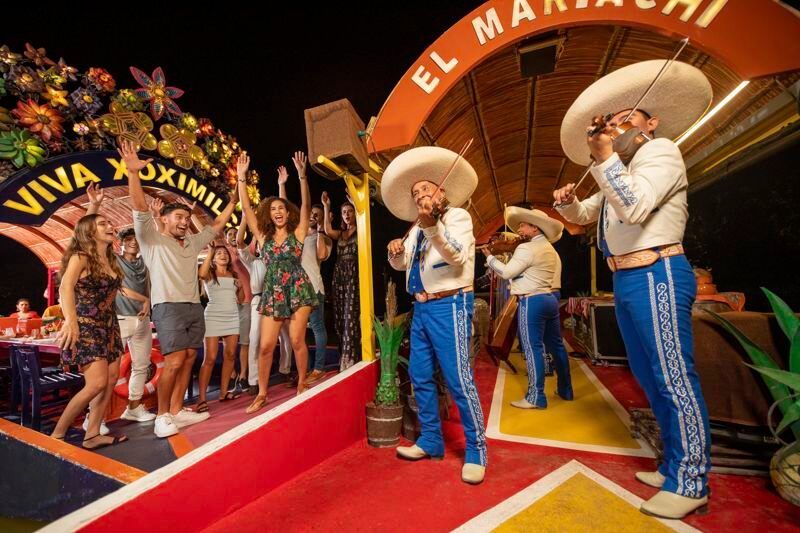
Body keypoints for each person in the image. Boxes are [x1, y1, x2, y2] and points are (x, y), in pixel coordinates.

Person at [553, 60, 713, 519]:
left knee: (673, 376)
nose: (618, 123)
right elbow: (589, 216)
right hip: (626, 277)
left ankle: (692, 479)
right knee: (649, 376)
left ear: (652, 123)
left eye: (629, 116)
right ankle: (672, 465)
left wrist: (603, 158)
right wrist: (568, 205)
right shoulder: (622, 166)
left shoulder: (661, 153)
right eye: (613, 118)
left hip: (657, 271)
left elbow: (636, 206)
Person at [119, 139, 238, 438]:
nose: (185, 222)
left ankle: (175, 410)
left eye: (187, 218)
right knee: (173, 360)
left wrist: (235, 201)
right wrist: (134, 173)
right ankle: (161, 417)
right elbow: (139, 207)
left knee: (187, 358)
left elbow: (218, 225)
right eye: (179, 217)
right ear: (164, 219)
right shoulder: (151, 238)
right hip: (167, 307)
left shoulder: (193, 242)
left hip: (193, 307)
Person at [384, 146, 487, 485]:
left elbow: (456, 257)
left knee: (458, 378)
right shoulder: (415, 229)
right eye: (415, 193)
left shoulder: (457, 218)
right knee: (420, 375)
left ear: (441, 192)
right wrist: (395, 254)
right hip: (423, 307)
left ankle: (476, 449)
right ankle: (430, 439)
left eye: (425, 189)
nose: (420, 196)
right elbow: (408, 266)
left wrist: (431, 227)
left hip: (451, 304)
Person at [50, 214, 148, 449]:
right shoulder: (81, 256)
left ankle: (92, 434)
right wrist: (71, 321)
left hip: (109, 325)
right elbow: (65, 287)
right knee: (95, 384)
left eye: (109, 222)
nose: (110, 225)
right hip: (87, 324)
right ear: (89, 232)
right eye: (102, 224)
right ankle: (56, 436)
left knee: (111, 380)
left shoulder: (109, 259)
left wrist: (143, 298)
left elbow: (118, 289)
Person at [237, 151, 317, 413]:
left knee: (296, 341)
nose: (278, 212)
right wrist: (241, 179)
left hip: (298, 288)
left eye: (281, 207)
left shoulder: (299, 232)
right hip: (273, 292)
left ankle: (303, 382)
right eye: (273, 209)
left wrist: (302, 176)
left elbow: (306, 206)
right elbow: (247, 209)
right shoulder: (262, 237)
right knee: (265, 346)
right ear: (268, 215)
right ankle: (261, 393)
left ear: (287, 211)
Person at [483, 207, 573, 409]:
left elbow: (506, 273)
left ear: (535, 228)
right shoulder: (550, 249)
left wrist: (490, 258)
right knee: (556, 345)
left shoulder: (526, 248)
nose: (520, 229)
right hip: (549, 299)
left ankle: (536, 396)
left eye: (523, 225)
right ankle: (566, 388)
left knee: (533, 349)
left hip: (531, 301)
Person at [86, 184, 156, 424]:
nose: (134, 242)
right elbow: (88, 238)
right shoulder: (112, 259)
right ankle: (95, 419)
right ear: (121, 243)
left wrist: (154, 217)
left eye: (136, 239)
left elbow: (152, 240)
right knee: (108, 372)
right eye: (128, 239)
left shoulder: (146, 261)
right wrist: (94, 205)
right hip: (119, 319)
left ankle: (134, 407)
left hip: (143, 319)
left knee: (142, 366)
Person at [197, 245, 243, 412]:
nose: (223, 255)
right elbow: (200, 274)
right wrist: (209, 252)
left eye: (225, 253)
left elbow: (241, 299)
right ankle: (202, 399)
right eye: (219, 253)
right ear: (213, 258)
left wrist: (240, 288)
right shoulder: (209, 273)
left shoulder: (234, 274)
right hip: (213, 317)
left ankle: (224, 392)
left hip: (232, 317)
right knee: (210, 358)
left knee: (230, 355)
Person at [322, 193, 360, 371]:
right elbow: (328, 231)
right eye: (344, 212)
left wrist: (356, 203)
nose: (347, 214)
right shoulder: (341, 233)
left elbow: (362, 217)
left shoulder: (361, 228)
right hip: (339, 277)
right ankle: (343, 355)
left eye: (350, 211)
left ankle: (351, 358)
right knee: (340, 318)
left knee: (351, 316)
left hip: (354, 276)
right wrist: (326, 207)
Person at [236, 222, 266, 396]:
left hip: (278, 300)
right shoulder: (253, 261)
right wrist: (244, 219)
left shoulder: (279, 259)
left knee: (287, 338)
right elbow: (239, 242)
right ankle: (253, 380)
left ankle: (285, 371)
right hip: (258, 300)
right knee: (254, 339)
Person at [223, 225, 252, 391]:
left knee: (244, 342)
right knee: (229, 343)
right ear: (225, 238)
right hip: (229, 303)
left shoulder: (245, 250)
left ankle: (243, 376)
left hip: (246, 300)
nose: (233, 236)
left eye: (236, 233)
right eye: (230, 234)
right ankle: (232, 374)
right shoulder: (223, 253)